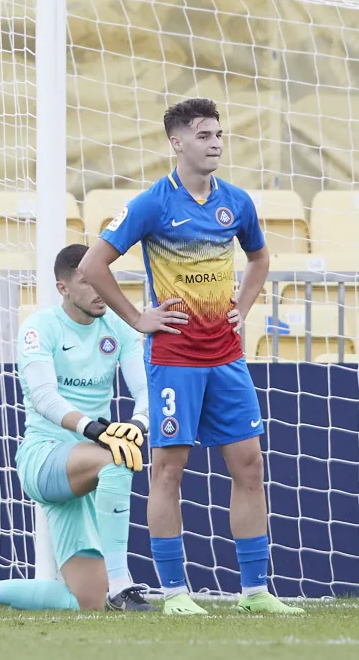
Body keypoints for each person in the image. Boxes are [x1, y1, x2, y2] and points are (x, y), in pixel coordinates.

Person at [78, 97, 302, 615]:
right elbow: (92, 263)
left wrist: (241, 308)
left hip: (226, 357)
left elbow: (260, 257)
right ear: (177, 142)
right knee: (168, 471)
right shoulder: (153, 203)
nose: (216, 143)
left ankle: (254, 592)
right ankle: (176, 592)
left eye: (220, 135)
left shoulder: (237, 202)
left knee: (249, 466)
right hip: (175, 358)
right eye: (204, 136)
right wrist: (139, 319)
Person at [0, 243, 155, 613]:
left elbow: (144, 388)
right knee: (118, 458)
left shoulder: (119, 326)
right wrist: (97, 431)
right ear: (63, 288)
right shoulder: (39, 327)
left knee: (87, 602)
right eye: (87, 282)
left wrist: (139, 422)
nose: (100, 290)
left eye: (104, 279)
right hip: (45, 458)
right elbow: (44, 399)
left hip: (86, 465)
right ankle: (121, 583)